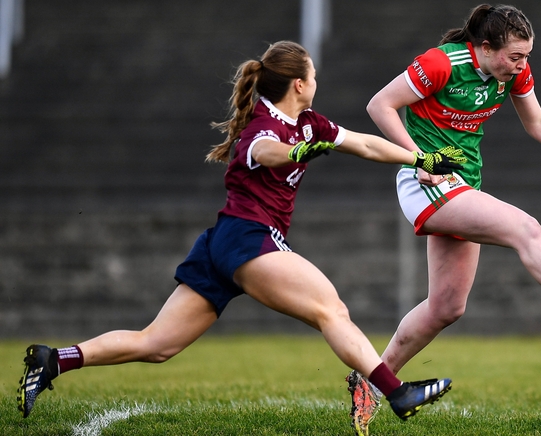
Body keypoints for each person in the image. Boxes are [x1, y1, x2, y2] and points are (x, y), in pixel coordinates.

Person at [17, 41, 460, 428]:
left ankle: (53, 360)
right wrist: (296, 151)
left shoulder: (309, 122)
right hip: (249, 237)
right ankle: (394, 392)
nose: (316, 82)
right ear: (299, 84)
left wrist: (420, 160)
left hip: (225, 243)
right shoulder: (262, 128)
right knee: (332, 310)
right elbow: (266, 151)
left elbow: (364, 143)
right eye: (314, 75)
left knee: (155, 344)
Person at [345, 4, 541, 435]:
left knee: (447, 307)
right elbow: (379, 105)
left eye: (527, 56)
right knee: (526, 228)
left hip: (462, 187)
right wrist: (418, 158)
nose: (522, 65)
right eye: (515, 56)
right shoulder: (440, 63)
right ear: (485, 47)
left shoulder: (510, 73)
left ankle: (372, 384)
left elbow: (538, 122)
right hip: (425, 185)